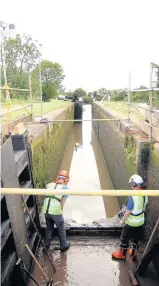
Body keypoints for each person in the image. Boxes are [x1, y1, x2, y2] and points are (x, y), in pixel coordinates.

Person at [112, 174, 148, 260]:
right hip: (140, 222)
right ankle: (133, 252)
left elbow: (128, 211)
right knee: (136, 238)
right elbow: (143, 207)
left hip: (131, 223)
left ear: (134, 184)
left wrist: (122, 220)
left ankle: (122, 255)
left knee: (124, 239)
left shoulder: (133, 196)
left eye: (131, 183)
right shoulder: (145, 194)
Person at [42, 170, 70, 252]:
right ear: (66, 179)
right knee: (61, 227)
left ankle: (46, 247)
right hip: (55, 211)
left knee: (49, 228)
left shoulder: (49, 185)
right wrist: (60, 212)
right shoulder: (65, 188)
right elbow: (62, 203)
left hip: (46, 210)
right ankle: (64, 245)